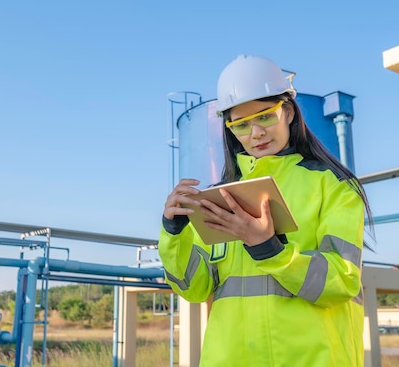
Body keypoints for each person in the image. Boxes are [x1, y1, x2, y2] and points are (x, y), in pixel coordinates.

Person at [158, 55, 374, 367]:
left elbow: (341, 282)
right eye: (241, 124)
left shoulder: (333, 185)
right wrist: (173, 233)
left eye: (265, 117)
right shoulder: (222, 197)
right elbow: (195, 289)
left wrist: (269, 249)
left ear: (287, 111)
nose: (255, 133)